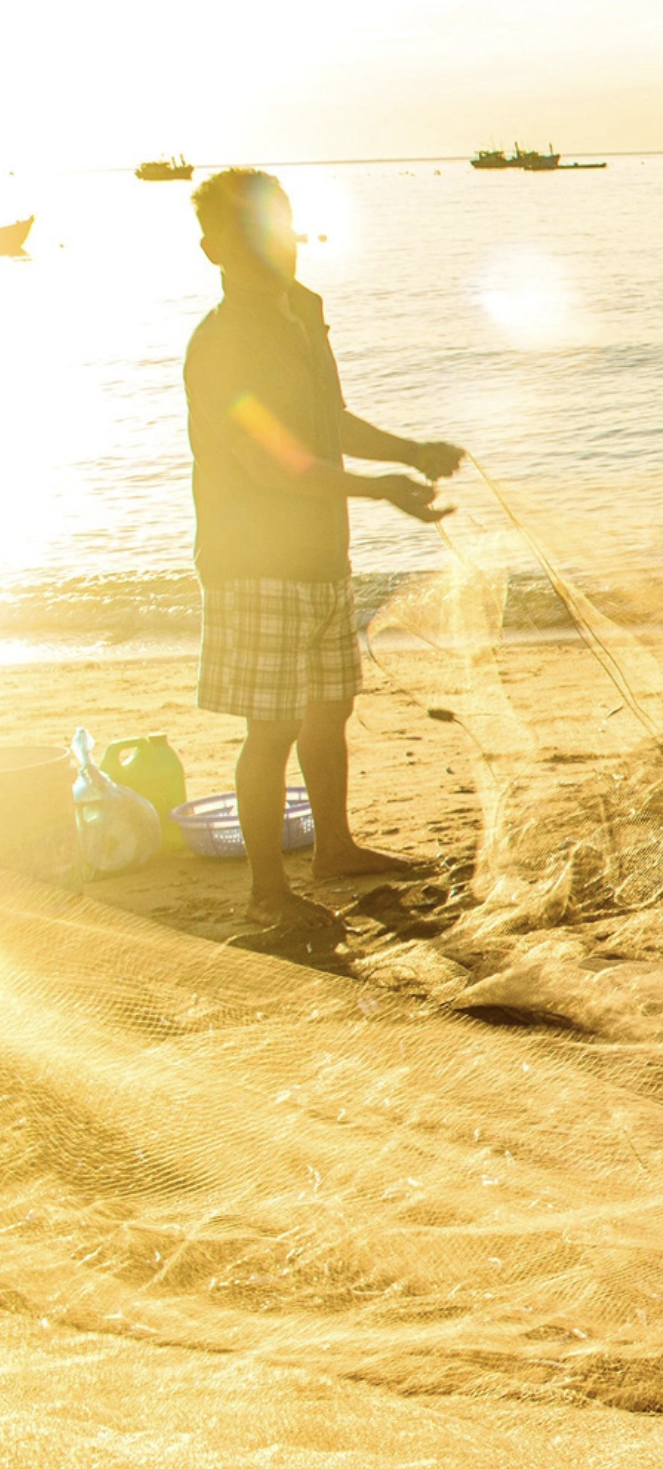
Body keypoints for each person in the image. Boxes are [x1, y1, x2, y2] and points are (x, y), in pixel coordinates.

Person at [185, 168, 463, 934]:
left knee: (329, 707)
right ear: (213, 249)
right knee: (270, 728)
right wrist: (379, 490)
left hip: (318, 553)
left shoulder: (304, 313)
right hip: (254, 562)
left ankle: (334, 848)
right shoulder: (223, 344)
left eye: (279, 228)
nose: (272, 247)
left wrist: (410, 451)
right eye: (248, 236)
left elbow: (327, 420)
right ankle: (268, 892)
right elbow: (265, 463)